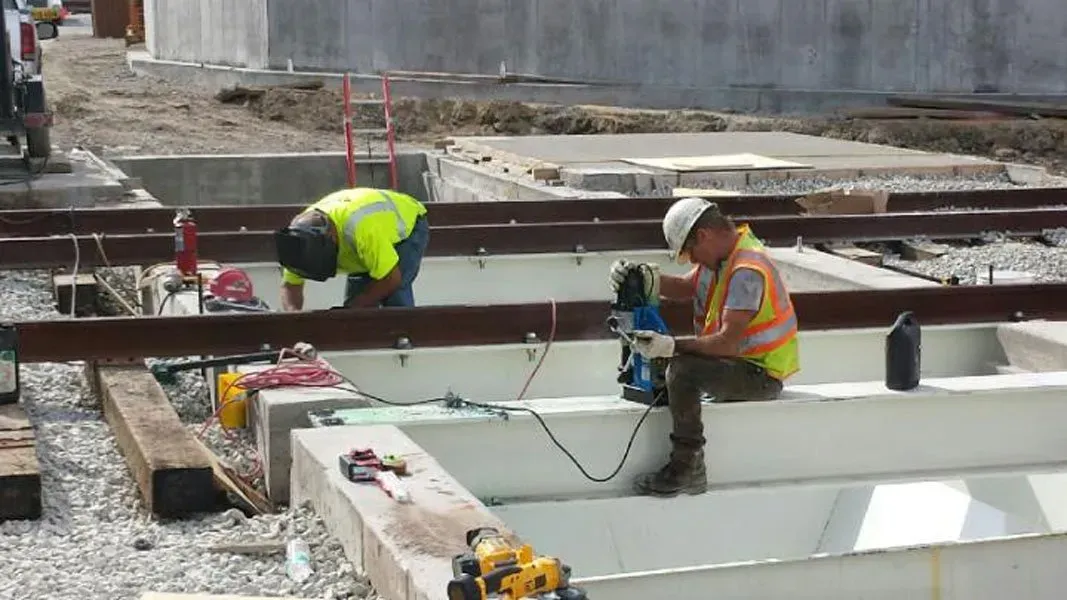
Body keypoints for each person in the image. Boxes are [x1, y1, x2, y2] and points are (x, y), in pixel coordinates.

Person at [609, 197, 799, 498]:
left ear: (703, 236)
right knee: (679, 362)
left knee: (683, 370)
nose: (693, 261)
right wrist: (643, 278)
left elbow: (726, 343)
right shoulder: (724, 256)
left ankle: (687, 467)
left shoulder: (746, 270)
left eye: (691, 254)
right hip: (739, 365)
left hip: (761, 376)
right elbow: (687, 287)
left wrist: (672, 347)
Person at [273, 187, 429, 311]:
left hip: (406, 226)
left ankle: (403, 336)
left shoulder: (361, 229)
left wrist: (351, 308)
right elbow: (290, 286)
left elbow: (391, 279)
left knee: (393, 296)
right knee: (356, 308)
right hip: (361, 245)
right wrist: (294, 318)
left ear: (330, 241)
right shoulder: (299, 243)